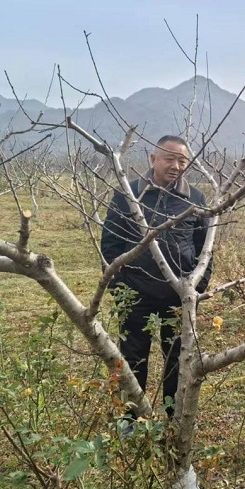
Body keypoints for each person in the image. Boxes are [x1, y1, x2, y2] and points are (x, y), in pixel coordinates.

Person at [101, 135, 211, 418]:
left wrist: (197, 287)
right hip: (135, 294)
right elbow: (110, 246)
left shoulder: (196, 199)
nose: (176, 166)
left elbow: (205, 249)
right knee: (133, 358)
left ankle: (173, 417)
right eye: (169, 159)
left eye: (182, 161)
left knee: (177, 359)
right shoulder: (128, 195)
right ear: (153, 159)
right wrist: (119, 288)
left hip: (178, 296)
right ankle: (132, 418)